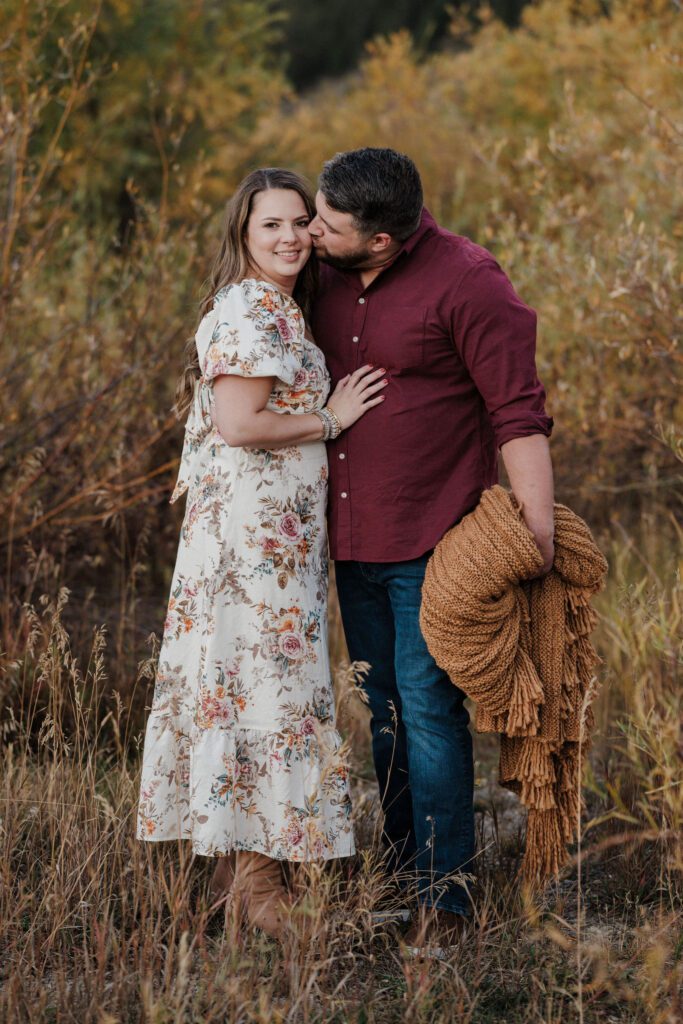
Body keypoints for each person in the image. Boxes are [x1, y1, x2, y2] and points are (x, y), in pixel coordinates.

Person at [308, 147, 555, 954]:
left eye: (330, 224)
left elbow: (516, 411)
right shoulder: (317, 271)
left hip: (432, 540)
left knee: (428, 713)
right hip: (347, 540)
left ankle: (444, 901)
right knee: (380, 716)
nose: (313, 230)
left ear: (382, 240)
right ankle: (401, 871)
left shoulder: (468, 281)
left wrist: (536, 532)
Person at [136, 167, 387, 940]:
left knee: (237, 687)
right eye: (269, 225)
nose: (287, 237)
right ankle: (262, 886)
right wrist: (332, 418)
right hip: (253, 549)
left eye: (298, 222)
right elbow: (240, 425)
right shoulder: (253, 309)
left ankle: (228, 886)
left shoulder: (274, 307)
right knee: (266, 693)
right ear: (243, 235)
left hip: (261, 541)